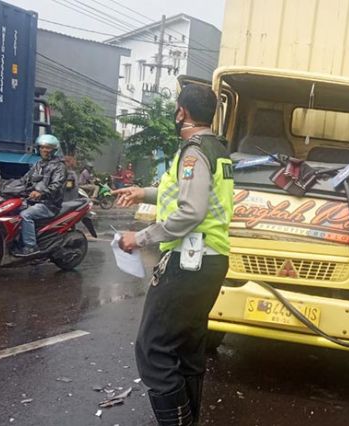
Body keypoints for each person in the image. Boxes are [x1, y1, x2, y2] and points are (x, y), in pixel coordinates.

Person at [113, 84, 233, 426]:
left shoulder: (193, 153)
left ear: (182, 112)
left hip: (188, 263)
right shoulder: (215, 149)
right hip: (210, 261)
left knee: (153, 349)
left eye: (177, 108)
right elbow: (189, 194)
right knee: (187, 350)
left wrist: (141, 237)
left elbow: (190, 212)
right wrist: (143, 193)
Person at [14, 134, 66, 257]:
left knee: (25, 215)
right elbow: (24, 180)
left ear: (54, 150)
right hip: (33, 201)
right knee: (12, 211)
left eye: (48, 148)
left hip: (49, 204)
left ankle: (31, 247)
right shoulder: (38, 164)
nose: (44, 150)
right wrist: (4, 185)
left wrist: (41, 193)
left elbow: (56, 184)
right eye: (42, 147)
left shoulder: (59, 166)